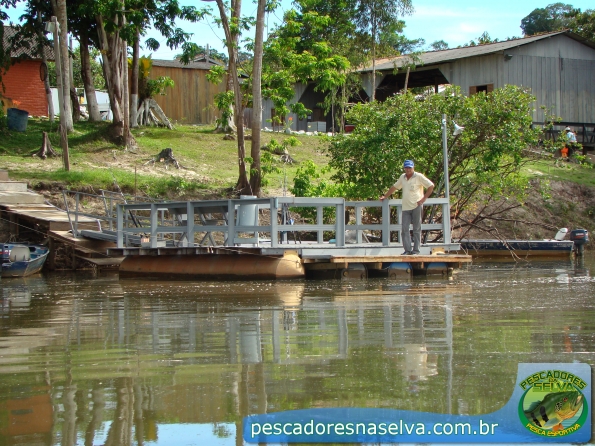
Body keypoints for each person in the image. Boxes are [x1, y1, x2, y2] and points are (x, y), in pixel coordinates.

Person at [380, 160, 434, 255]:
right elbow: (394, 187)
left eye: (410, 167)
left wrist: (423, 199)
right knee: (404, 229)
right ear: (404, 168)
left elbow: (431, 186)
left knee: (416, 229)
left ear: (413, 167)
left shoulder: (419, 176)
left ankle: (416, 251)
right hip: (406, 207)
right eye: (406, 168)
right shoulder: (402, 177)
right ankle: (407, 250)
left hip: (416, 206)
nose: (408, 169)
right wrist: (385, 196)